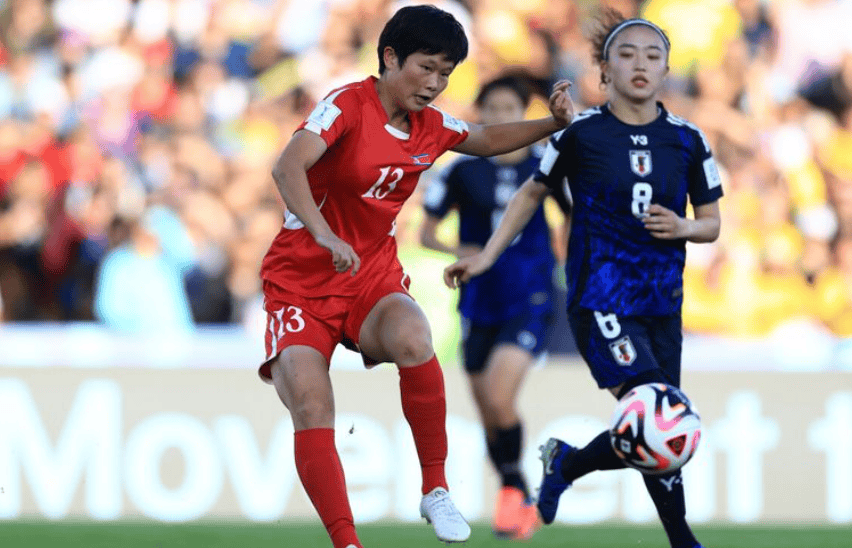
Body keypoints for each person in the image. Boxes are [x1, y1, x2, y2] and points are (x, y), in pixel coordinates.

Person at [258, 5, 573, 548]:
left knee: (413, 334)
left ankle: (435, 489)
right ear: (389, 58)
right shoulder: (346, 105)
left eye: (445, 74)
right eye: (425, 68)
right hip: (302, 280)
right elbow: (288, 166)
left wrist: (553, 123)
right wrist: (324, 234)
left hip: (368, 276)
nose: (434, 84)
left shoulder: (431, 127)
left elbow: (485, 139)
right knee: (311, 403)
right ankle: (347, 542)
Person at [443, 11, 722, 548]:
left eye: (653, 56)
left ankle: (568, 465)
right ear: (604, 71)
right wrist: (485, 257)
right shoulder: (581, 134)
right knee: (655, 409)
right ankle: (682, 539)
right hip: (600, 295)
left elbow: (711, 223)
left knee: (664, 423)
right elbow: (531, 193)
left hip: (662, 299)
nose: (641, 64)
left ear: (666, 70)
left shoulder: (688, 140)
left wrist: (685, 225)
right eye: (627, 54)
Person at [419, 74, 569, 540]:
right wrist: (458, 254)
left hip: (529, 294)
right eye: (493, 109)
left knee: (501, 397)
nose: (502, 117)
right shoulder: (461, 170)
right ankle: (516, 486)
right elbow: (426, 231)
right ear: (480, 113)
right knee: (487, 409)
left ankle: (516, 491)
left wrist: (565, 258)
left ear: (523, 113)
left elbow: (575, 215)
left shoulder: (546, 162)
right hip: (477, 299)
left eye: (510, 108)